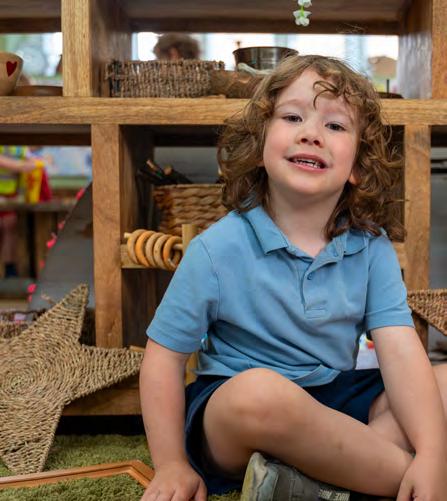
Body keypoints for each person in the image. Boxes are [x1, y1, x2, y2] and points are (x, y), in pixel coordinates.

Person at [139, 54, 447, 501]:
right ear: (260, 144)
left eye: (335, 125)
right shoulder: (216, 248)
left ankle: (310, 483)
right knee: (260, 395)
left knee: (441, 382)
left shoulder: (371, 246)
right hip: (240, 417)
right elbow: (163, 358)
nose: (311, 133)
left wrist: (433, 450)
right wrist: (171, 464)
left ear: (357, 167)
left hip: (335, 398)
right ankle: (399, 477)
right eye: (292, 117)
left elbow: (399, 350)